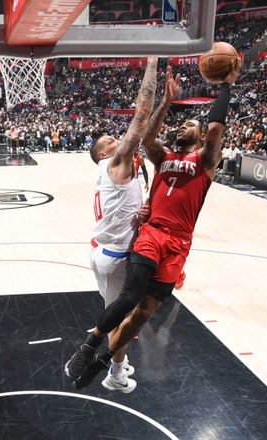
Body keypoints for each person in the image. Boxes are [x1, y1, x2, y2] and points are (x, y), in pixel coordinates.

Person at [65, 58, 242, 391]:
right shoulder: (163, 158)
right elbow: (146, 137)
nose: (181, 126)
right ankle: (88, 348)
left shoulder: (204, 161)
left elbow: (217, 129)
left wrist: (225, 87)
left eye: (189, 123)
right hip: (151, 234)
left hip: (178, 244)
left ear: (201, 135)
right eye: (181, 122)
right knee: (130, 297)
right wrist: (167, 103)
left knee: (143, 315)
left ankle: (106, 364)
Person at [87, 57, 158, 392]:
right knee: (123, 318)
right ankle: (114, 374)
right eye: (109, 142)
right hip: (115, 256)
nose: (116, 140)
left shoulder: (112, 173)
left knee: (114, 311)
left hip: (102, 251)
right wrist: (152, 61)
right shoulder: (116, 164)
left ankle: (118, 359)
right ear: (104, 156)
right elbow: (141, 117)